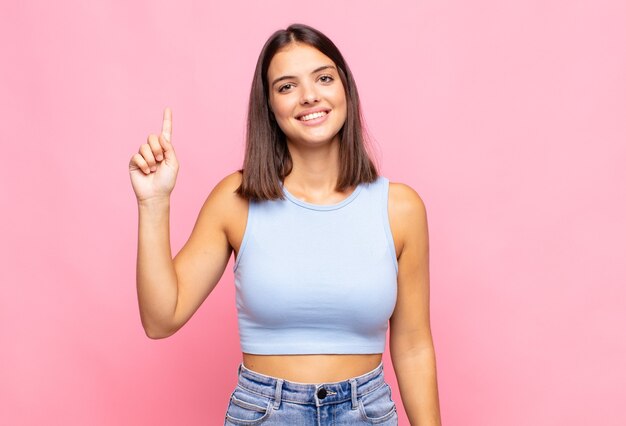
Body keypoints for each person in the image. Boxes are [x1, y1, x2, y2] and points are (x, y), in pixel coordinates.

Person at [128, 24, 441, 425]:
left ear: (345, 89)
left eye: (324, 78)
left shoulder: (401, 208)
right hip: (265, 413)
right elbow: (160, 319)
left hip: (366, 413)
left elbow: (414, 346)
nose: (310, 95)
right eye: (287, 86)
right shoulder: (237, 199)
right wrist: (153, 202)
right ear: (270, 106)